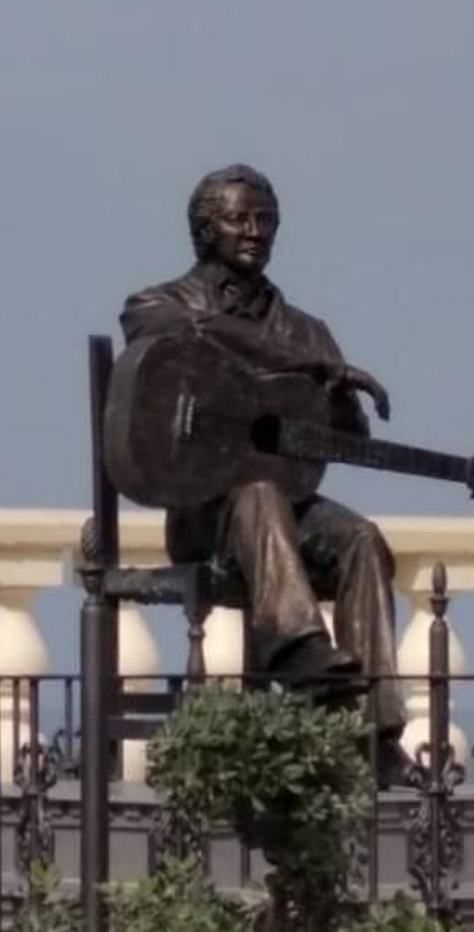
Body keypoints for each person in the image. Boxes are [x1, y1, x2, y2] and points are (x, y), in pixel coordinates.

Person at [119, 163, 412, 786]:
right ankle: (298, 647)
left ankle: (374, 734)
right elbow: (191, 335)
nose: (254, 232)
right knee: (255, 490)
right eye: (238, 219)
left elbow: (344, 442)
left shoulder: (309, 328)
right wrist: (306, 364)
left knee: (359, 537)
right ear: (204, 230)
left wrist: (337, 403)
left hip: (288, 515)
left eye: (265, 221)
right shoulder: (157, 305)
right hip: (207, 519)